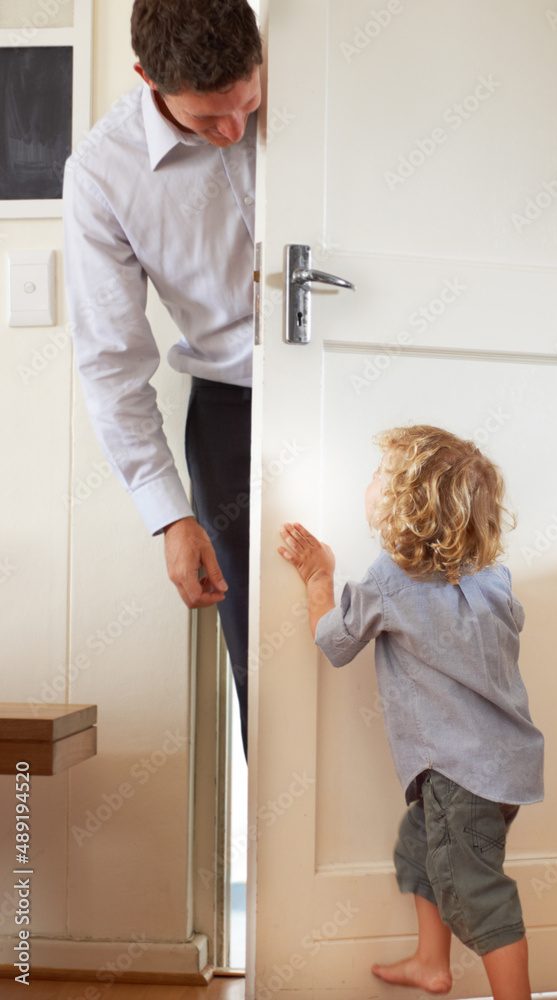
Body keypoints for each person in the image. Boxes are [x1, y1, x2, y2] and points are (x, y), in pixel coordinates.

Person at [277, 425, 544, 1000]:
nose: (369, 480)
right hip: (503, 771)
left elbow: (334, 641)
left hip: (457, 773)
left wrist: (319, 577)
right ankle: (431, 960)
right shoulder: (493, 578)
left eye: (381, 474)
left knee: (480, 898)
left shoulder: (388, 579)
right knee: (420, 846)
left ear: (407, 505)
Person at [63, 0, 263, 754]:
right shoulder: (101, 176)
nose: (236, 133)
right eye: (211, 120)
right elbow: (112, 361)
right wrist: (172, 516)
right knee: (265, 664)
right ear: (148, 79)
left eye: (248, 102)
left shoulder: (313, 75)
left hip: (360, 379)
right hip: (232, 412)